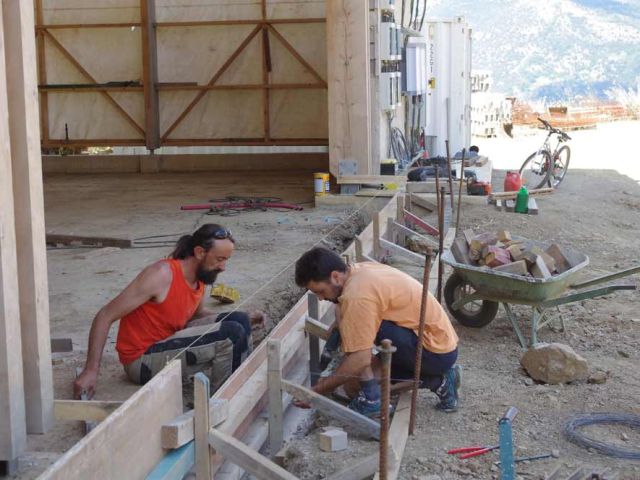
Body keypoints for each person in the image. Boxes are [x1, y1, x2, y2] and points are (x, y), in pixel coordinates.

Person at [73, 224, 264, 399]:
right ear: (199, 252)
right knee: (232, 334)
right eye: (220, 259)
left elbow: (196, 315)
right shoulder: (161, 274)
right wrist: (90, 371)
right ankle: (221, 404)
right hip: (142, 360)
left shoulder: (200, 278)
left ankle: (241, 389)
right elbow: (105, 316)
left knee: (239, 320)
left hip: (170, 341)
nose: (223, 267)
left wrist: (243, 316)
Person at [293, 247, 461, 416]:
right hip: (433, 341)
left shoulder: (357, 296)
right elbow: (342, 312)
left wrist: (317, 391)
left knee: (357, 357)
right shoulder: (357, 272)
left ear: (335, 276)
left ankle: (374, 399)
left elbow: (360, 359)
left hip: (434, 351)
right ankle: (440, 380)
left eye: (320, 291)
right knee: (353, 385)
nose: (321, 298)